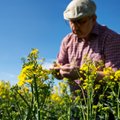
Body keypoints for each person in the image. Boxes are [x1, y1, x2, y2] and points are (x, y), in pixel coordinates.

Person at [52, 0, 120, 119]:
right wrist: (57, 71)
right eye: (71, 22)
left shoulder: (111, 38)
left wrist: (81, 73)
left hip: (105, 108)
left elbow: (115, 76)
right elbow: (60, 65)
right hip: (77, 106)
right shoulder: (67, 41)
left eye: (80, 22)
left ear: (93, 19)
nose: (75, 27)